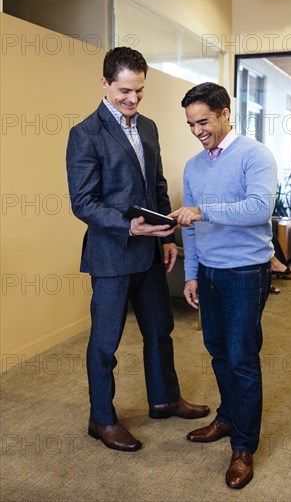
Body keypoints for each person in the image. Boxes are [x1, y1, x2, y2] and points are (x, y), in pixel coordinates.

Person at [66, 47, 209, 453]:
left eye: (139, 91)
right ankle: (102, 419)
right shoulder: (85, 133)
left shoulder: (147, 126)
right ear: (105, 84)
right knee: (105, 343)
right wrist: (127, 224)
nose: (132, 99)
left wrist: (165, 236)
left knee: (160, 331)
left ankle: (164, 400)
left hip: (149, 252)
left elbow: (157, 187)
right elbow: (83, 201)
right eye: (125, 91)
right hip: (112, 255)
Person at [170, 82, 277, 489]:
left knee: (242, 358)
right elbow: (192, 231)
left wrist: (203, 210)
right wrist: (192, 274)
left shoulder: (255, 155)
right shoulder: (194, 166)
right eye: (190, 124)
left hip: (245, 273)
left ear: (225, 113)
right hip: (210, 273)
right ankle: (228, 417)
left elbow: (257, 208)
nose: (197, 130)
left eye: (204, 121)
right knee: (217, 353)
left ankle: (244, 446)